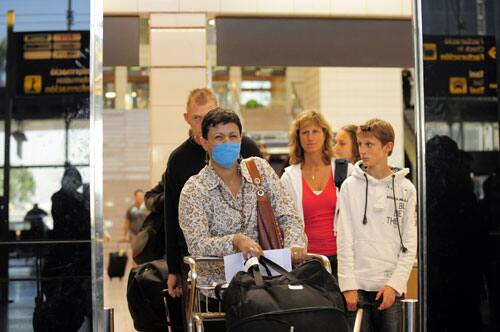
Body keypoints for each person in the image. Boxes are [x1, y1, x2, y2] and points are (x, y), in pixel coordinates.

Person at [144, 89, 261, 328]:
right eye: (198, 118)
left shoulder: (247, 149)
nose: (205, 123)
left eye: (209, 115)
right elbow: (171, 218)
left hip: (250, 262)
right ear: (188, 118)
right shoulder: (179, 159)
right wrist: (174, 269)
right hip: (201, 264)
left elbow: (268, 203)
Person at [178, 108, 307, 292]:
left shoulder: (258, 169)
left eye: (233, 136)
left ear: (241, 139)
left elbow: (288, 215)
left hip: (271, 277)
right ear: (204, 142)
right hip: (222, 287)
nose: (227, 142)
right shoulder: (194, 190)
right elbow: (197, 245)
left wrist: (294, 246)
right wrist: (235, 241)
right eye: (219, 137)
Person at [337, 119, 417, 332]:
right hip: (357, 289)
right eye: (360, 144)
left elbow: (409, 244)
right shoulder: (349, 186)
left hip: (390, 288)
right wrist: (348, 286)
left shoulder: (407, 189)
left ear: (388, 147)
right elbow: (344, 238)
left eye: (369, 144)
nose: (362, 150)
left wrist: (395, 285)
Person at [281, 110, 352, 278]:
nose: (310, 137)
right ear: (297, 137)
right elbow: (284, 220)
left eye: (315, 131)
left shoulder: (345, 170)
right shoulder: (289, 177)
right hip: (306, 260)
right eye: (305, 132)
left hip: (342, 260)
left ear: (325, 135)